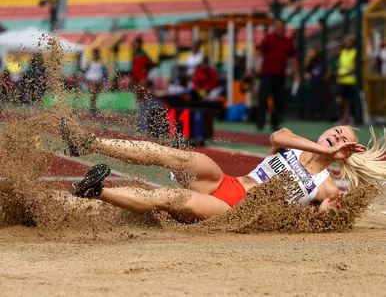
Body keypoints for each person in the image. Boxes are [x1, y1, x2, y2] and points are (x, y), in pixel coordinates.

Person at [58, 117, 386, 223]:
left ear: (344, 155)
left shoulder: (327, 186)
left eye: (344, 139)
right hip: (226, 182)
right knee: (180, 157)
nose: (338, 136)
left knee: (169, 197)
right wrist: (325, 149)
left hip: (231, 210)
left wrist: (328, 211)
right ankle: (89, 142)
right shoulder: (295, 143)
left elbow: (321, 222)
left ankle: (98, 190)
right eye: (338, 131)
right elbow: (277, 136)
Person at [256, 19, 300, 131]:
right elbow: (259, 52)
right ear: (274, 27)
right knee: (263, 97)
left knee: (278, 99)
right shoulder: (269, 38)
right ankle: (260, 122)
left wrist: (297, 74)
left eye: (282, 26)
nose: (280, 29)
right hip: (267, 73)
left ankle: (275, 123)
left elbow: (293, 58)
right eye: (278, 26)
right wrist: (257, 66)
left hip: (280, 75)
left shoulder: (288, 41)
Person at [336, 35, 357, 125]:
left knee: (347, 100)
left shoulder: (354, 52)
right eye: (346, 41)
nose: (347, 43)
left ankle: (347, 117)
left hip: (350, 81)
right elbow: (340, 65)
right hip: (341, 80)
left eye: (349, 41)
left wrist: (345, 74)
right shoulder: (343, 52)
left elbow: (354, 67)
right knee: (341, 100)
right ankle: (344, 117)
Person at [303, 45, 328, 120]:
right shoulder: (310, 59)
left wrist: (326, 77)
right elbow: (306, 69)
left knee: (320, 99)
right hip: (313, 82)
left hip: (321, 82)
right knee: (312, 99)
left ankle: (321, 115)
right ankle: (312, 115)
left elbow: (326, 68)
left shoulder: (322, 59)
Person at [84, 49, 108, 115]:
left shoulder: (101, 64)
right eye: (95, 54)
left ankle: (93, 107)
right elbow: (86, 72)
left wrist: (105, 81)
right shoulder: (90, 64)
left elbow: (105, 73)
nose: (96, 55)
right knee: (93, 93)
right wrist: (86, 80)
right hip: (91, 79)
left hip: (98, 80)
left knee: (95, 94)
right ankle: (92, 108)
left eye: (97, 54)